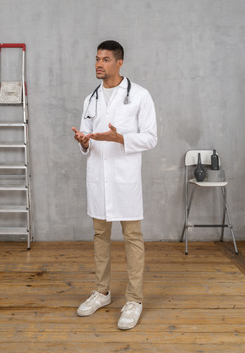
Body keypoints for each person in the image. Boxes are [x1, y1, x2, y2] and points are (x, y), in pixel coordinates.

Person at [71, 40, 157, 330]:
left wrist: (120, 138)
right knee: (100, 235)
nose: (99, 64)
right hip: (98, 177)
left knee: (132, 237)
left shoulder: (140, 96)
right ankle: (102, 292)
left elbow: (150, 137)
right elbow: (87, 136)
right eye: (97, 59)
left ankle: (134, 299)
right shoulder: (90, 99)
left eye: (106, 59)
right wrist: (84, 141)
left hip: (125, 177)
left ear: (119, 63)